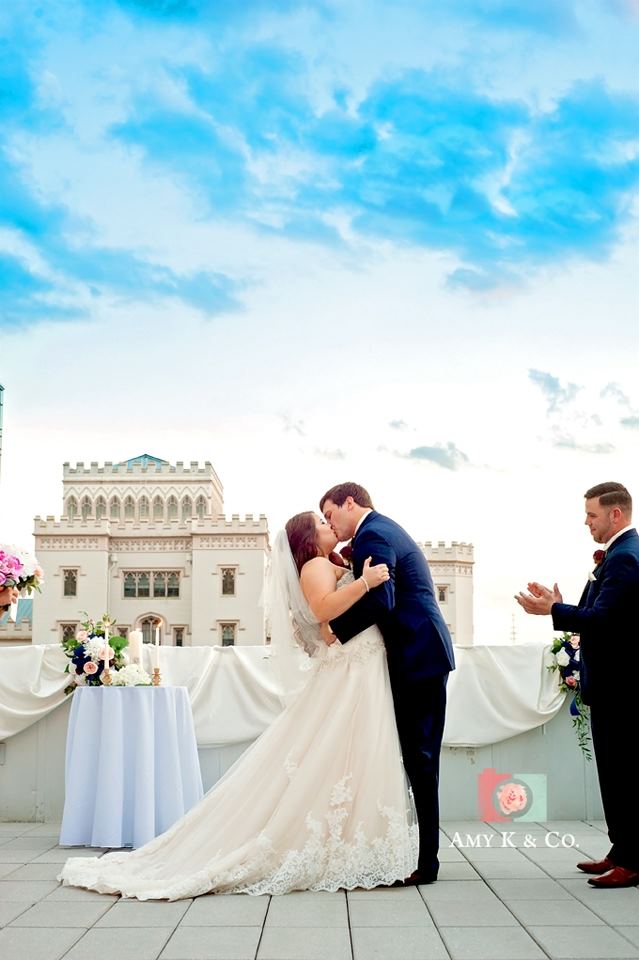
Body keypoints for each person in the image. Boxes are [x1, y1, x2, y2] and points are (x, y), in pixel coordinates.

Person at [58, 512, 418, 900]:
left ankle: (355, 840)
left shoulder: (329, 563)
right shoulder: (315, 565)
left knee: (349, 753)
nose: (329, 525)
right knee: (343, 751)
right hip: (350, 669)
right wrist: (364, 582)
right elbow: (321, 614)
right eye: (321, 522)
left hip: (357, 668)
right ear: (308, 539)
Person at [320, 482, 455, 885]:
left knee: (421, 759)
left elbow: (383, 600)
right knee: (418, 758)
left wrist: (335, 631)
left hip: (417, 656)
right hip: (421, 652)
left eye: (330, 514)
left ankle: (427, 863)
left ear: (349, 502)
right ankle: (422, 857)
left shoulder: (373, 535)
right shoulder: (381, 529)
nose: (330, 524)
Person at [516, 481, 639, 889]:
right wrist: (561, 603)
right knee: (614, 774)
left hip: (621, 687)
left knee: (624, 775)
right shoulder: (619, 555)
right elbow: (603, 610)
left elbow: (605, 621)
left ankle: (633, 860)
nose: (587, 522)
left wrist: (552, 610)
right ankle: (622, 850)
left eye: (592, 515)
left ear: (615, 514)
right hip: (612, 685)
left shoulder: (625, 557)